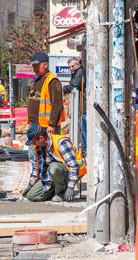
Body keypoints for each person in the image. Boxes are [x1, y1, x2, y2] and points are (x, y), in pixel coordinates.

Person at [24, 52, 65, 196]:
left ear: (45, 65)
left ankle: (50, 186)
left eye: (37, 65)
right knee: (34, 156)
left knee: (49, 157)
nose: (34, 68)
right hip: (36, 127)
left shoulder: (52, 81)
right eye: (33, 66)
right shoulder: (37, 80)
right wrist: (29, 123)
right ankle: (37, 182)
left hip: (46, 127)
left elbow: (57, 105)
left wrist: (52, 125)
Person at [23, 123, 84, 203]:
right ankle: (54, 191)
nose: (34, 144)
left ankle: (61, 192)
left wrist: (71, 187)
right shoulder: (39, 147)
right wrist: (30, 185)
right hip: (53, 175)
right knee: (32, 196)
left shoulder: (61, 143)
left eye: (34, 142)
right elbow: (36, 168)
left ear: (41, 138)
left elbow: (74, 165)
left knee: (53, 167)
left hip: (72, 173)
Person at [63, 57, 87, 153]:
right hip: (80, 105)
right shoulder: (75, 73)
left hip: (83, 105)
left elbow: (74, 85)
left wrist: (65, 89)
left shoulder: (80, 72)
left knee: (83, 126)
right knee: (81, 127)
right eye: (69, 67)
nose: (71, 68)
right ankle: (84, 147)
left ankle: (85, 149)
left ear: (77, 64)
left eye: (72, 66)